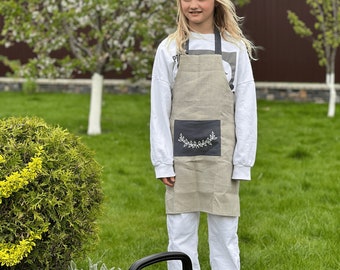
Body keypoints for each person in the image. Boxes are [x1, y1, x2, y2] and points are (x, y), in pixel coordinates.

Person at [150, 0, 257, 269]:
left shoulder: (235, 49)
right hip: (180, 159)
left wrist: (242, 162)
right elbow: (159, 109)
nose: (193, 5)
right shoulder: (169, 49)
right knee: (180, 234)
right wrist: (162, 161)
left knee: (224, 235)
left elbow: (246, 107)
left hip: (223, 158)